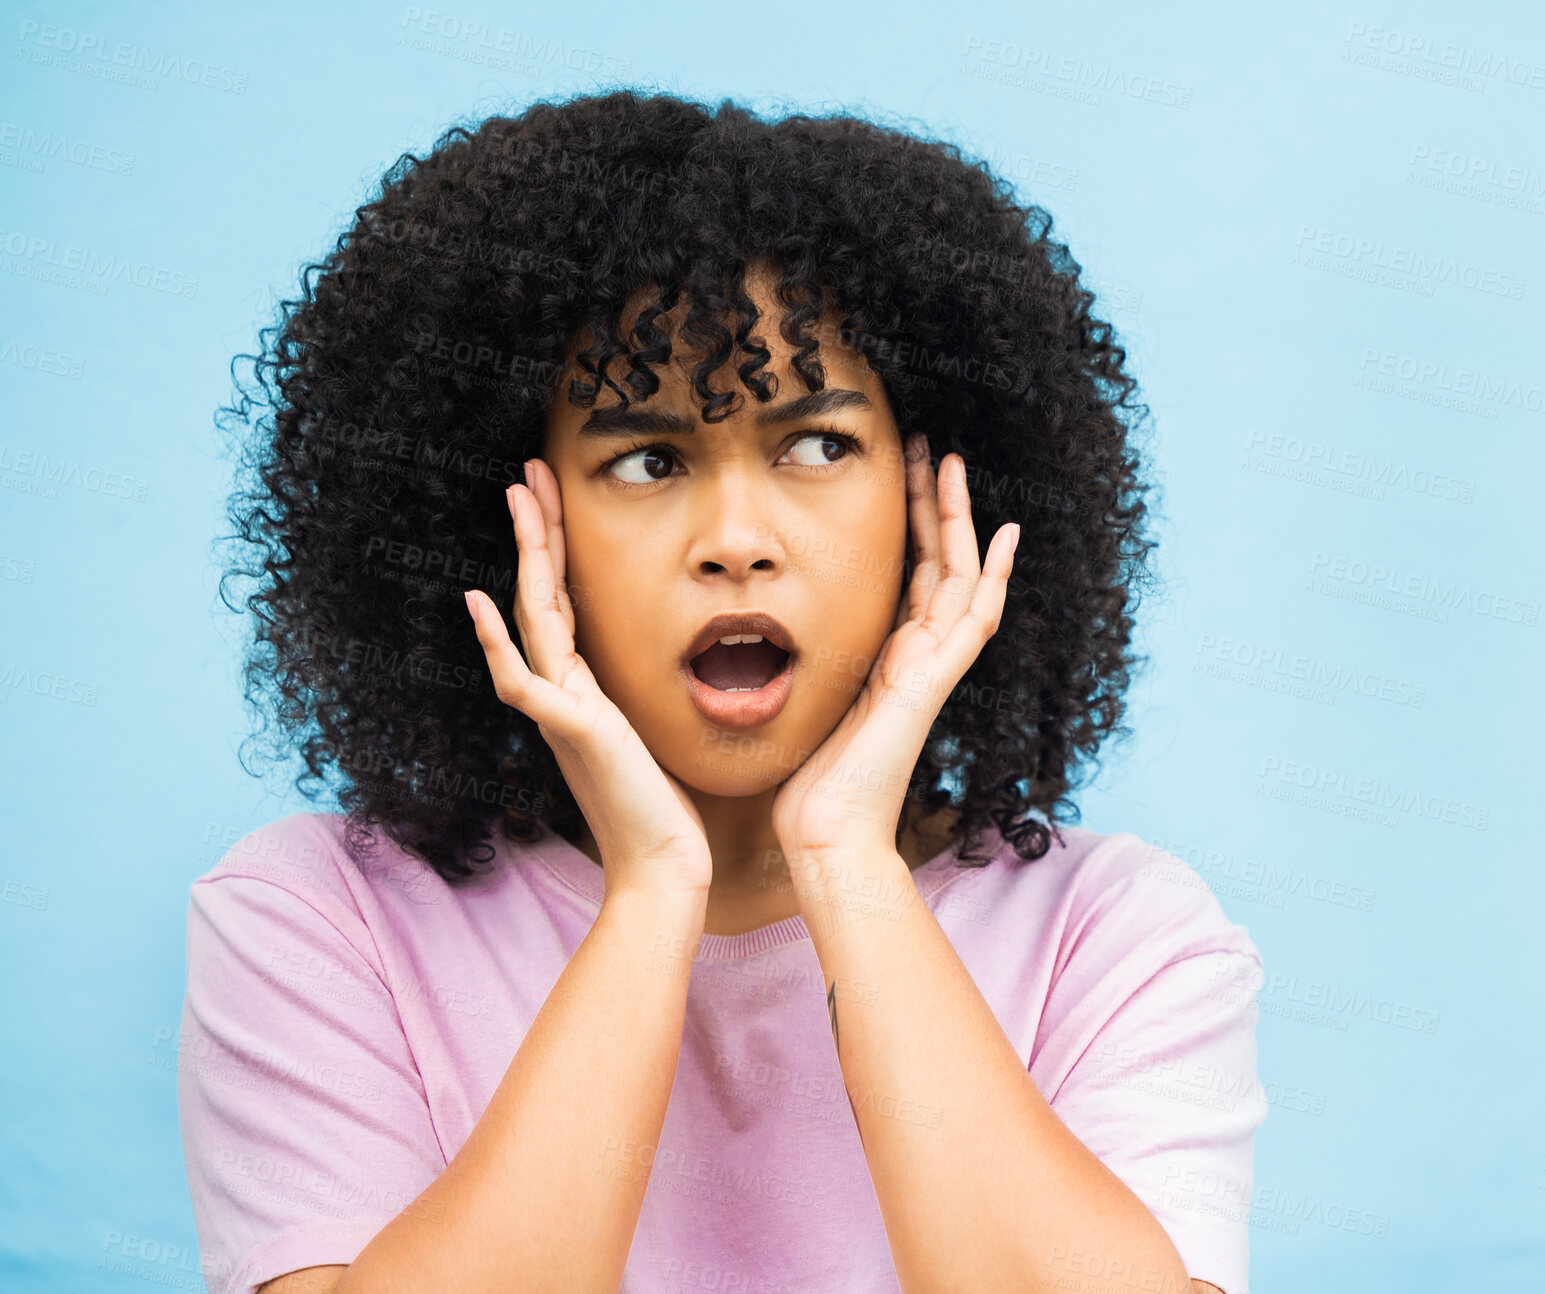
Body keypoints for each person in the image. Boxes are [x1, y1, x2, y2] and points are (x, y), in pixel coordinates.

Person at [180, 90, 1265, 1294]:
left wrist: (846, 860)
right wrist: (653, 893)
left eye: (817, 446)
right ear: (505, 518)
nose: (736, 539)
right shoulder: (319, 921)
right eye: (647, 459)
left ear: (936, 505)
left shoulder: (1115, 939)